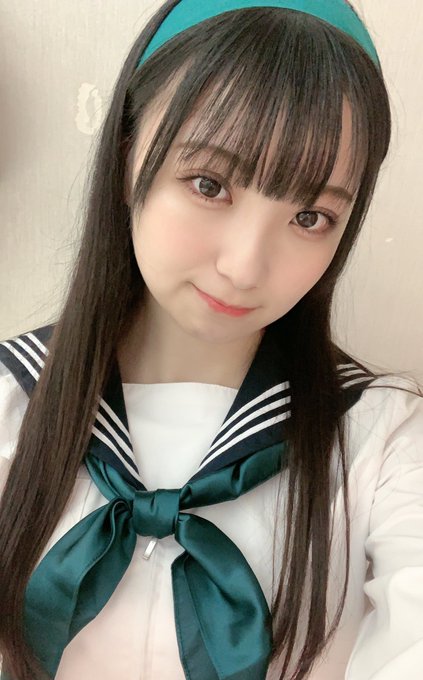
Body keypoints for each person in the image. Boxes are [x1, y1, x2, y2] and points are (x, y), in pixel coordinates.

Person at [0, 1, 422, 678]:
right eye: (209, 184)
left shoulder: (383, 440)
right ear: (127, 155)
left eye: (310, 217)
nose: (245, 266)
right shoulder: (12, 401)